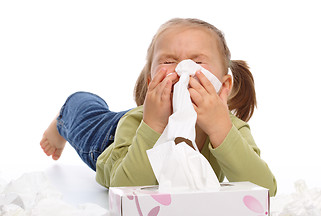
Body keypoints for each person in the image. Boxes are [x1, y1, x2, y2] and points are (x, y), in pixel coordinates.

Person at [40, 18, 277, 196]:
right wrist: (153, 124)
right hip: (114, 137)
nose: (183, 69)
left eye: (197, 62)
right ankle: (62, 120)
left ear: (224, 85)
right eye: (168, 61)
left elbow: (265, 190)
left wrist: (220, 130)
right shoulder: (136, 123)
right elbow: (123, 189)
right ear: (151, 80)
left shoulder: (231, 127)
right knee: (83, 108)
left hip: (161, 122)